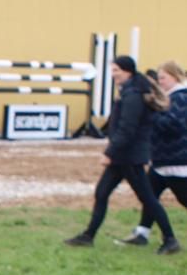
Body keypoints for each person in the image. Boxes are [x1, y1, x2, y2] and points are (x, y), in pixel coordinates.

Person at [65, 56, 179, 251]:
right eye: (113, 70)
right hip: (123, 156)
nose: (113, 74)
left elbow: (127, 128)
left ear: (128, 71)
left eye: (117, 70)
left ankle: (170, 239)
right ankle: (88, 235)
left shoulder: (133, 94)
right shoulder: (129, 90)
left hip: (129, 156)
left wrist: (109, 152)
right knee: (102, 193)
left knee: (147, 198)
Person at [119, 60, 187, 250]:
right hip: (162, 160)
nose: (160, 81)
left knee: (181, 198)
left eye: (163, 78)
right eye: (158, 78)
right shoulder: (168, 96)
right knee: (149, 196)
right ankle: (142, 232)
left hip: (176, 161)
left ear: (175, 77)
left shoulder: (181, 97)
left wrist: (152, 113)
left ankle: (161, 239)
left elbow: (175, 125)